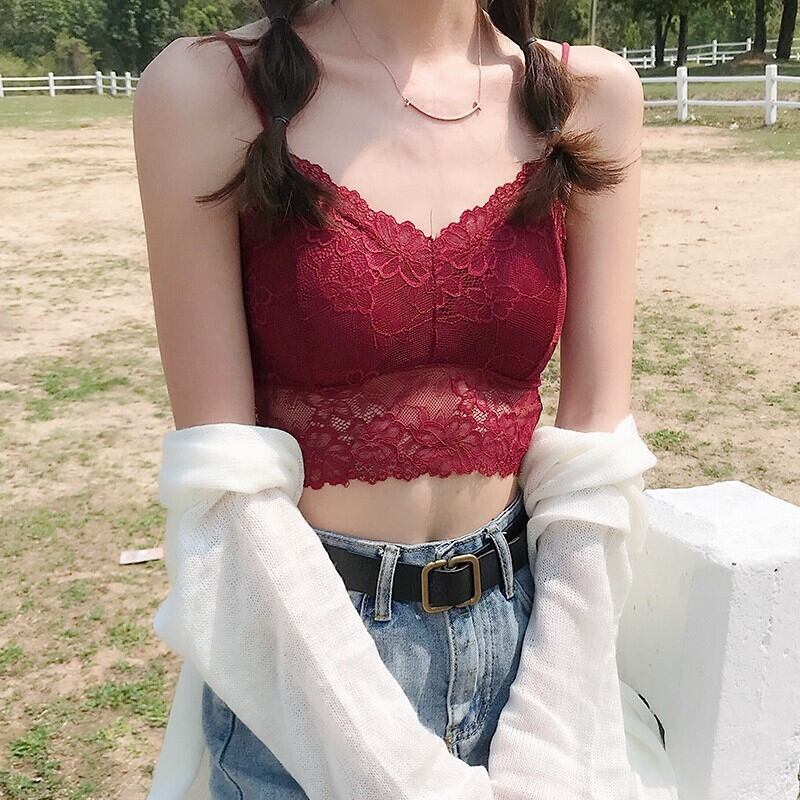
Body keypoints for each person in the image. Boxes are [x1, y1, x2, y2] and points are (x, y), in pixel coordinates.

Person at [133, 2, 673, 798]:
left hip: (525, 657)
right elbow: (224, 483)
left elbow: (595, 448)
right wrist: (394, 772)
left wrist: (552, 741)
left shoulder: (589, 95)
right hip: (306, 677)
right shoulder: (207, 89)